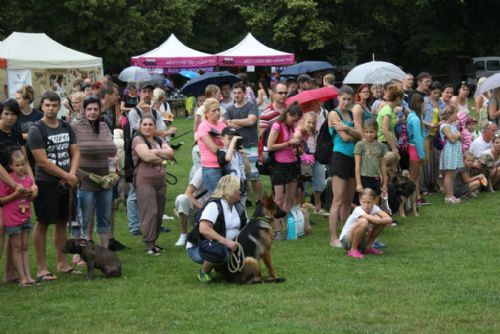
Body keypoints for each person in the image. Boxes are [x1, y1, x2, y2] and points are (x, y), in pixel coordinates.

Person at [28, 91, 81, 281]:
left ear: (59, 106)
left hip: (67, 181)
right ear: (41, 106)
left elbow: (75, 152)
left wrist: (72, 175)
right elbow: (41, 161)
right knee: (43, 222)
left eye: (54, 105)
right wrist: (66, 175)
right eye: (47, 105)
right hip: (46, 182)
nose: (51, 108)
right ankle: (42, 268)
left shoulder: (66, 126)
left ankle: (62, 263)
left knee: (61, 222)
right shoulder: (37, 129)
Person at [0, 99, 37, 283]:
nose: (10, 117)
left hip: (17, 183)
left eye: (13, 114)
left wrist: (32, 184)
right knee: (1, 228)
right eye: (6, 113)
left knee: (12, 229)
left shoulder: (15, 132)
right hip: (5, 184)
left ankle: (10, 273)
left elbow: (25, 159)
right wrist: (15, 186)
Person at [73, 96, 117, 248]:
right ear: (83, 111)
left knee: (104, 217)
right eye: (89, 109)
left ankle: (103, 250)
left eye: (95, 109)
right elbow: (73, 152)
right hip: (84, 179)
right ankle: (80, 251)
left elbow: (112, 149)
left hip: (105, 179)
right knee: (83, 217)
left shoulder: (104, 126)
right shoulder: (76, 127)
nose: (92, 112)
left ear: (100, 110)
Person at [191, 175, 253, 284]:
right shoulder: (214, 205)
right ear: (230, 190)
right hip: (203, 246)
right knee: (219, 250)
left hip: (230, 245)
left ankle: (221, 267)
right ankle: (203, 272)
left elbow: (247, 228)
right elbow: (204, 229)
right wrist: (226, 242)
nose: (240, 192)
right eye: (238, 189)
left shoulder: (238, 207)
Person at [132, 115, 174, 255]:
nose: (148, 127)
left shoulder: (158, 139)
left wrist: (155, 151)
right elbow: (146, 156)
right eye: (145, 124)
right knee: (150, 212)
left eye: (150, 124)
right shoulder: (138, 139)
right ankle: (149, 245)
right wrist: (161, 159)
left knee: (159, 212)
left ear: (155, 126)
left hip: (160, 181)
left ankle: (154, 242)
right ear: (140, 126)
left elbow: (170, 153)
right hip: (145, 181)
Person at [328, 85, 362, 247]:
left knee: (348, 201)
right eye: (343, 99)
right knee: (338, 200)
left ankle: (345, 233)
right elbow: (346, 138)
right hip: (339, 157)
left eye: (349, 99)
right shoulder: (334, 114)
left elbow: (361, 135)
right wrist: (352, 132)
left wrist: (348, 128)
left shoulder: (349, 114)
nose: (346, 102)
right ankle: (333, 238)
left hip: (352, 158)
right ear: (338, 98)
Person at [267, 102, 303, 240]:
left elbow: (294, 149)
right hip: (279, 165)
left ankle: (288, 225)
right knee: (279, 198)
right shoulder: (277, 126)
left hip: (292, 164)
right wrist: (289, 143)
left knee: (290, 197)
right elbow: (270, 146)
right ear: (288, 115)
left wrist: (298, 147)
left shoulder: (291, 128)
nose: (295, 122)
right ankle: (276, 230)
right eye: (293, 119)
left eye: (297, 120)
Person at [224, 82, 262, 205]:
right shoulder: (229, 109)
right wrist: (242, 122)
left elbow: (251, 121)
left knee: (254, 174)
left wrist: (233, 121)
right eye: (234, 93)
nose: (237, 95)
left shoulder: (251, 106)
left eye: (239, 92)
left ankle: (258, 199)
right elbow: (226, 123)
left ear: (244, 93)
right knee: (241, 173)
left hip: (251, 144)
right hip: (236, 146)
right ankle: (247, 198)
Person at [339, 188, 392, 259]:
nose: (366, 205)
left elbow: (389, 219)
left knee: (381, 223)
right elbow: (377, 221)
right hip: (347, 240)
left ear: (374, 201)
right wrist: (378, 220)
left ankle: (368, 247)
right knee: (363, 221)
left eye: (369, 202)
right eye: (364, 202)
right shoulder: (358, 210)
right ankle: (353, 249)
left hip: (362, 238)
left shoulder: (374, 208)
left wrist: (379, 220)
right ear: (360, 201)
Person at [294, 112, 326, 215]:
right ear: (303, 122)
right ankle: (302, 208)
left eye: (313, 123)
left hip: (315, 157)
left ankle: (315, 205)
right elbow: (295, 147)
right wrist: (302, 153)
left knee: (318, 182)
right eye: (309, 122)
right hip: (304, 160)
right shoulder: (299, 132)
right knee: (304, 183)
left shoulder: (314, 132)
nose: (311, 125)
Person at [196, 98, 227, 194]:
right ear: (206, 113)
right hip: (211, 167)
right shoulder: (203, 126)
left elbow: (230, 144)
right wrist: (225, 146)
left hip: (225, 164)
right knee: (217, 196)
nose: (217, 113)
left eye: (218, 110)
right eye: (214, 110)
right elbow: (214, 148)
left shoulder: (222, 125)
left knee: (227, 196)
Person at [173, 168, 210, 247]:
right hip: (198, 209)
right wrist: (203, 208)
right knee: (181, 199)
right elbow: (188, 193)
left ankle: (196, 237)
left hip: (214, 211)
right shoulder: (202, 170)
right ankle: (183, 235)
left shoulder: (227, 170)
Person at [421, 81, 445, 195]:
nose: (437, 95)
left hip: (437, 135)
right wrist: (428, 124)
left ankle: (433, 184)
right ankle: (424, 187)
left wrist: (442, 122)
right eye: (434, 92)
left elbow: (445, 116)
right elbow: (419, 118)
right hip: (426, 134)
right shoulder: (424, 102)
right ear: (430, 91)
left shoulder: (441, 103)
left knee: (435, 161)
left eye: (439, 93)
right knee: (426, 161)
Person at [354, 119, 386, 202]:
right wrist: (358, 183)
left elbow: (383, 165)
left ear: (376, 131)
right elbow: (357, 165)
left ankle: (374, 214)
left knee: (376, 199)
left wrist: (385, 183)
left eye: (372, 132)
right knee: (365, 201)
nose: (369, 134)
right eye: (366, 132)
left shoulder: (380, 146)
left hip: (376, 177)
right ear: (363, 131)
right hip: (364, 177)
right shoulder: (360, 145)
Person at [218, 127, 250, 205]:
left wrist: (245, 157)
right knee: (231, 208)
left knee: (242, 207)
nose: (232, 141)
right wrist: (234, 141)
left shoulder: (238, 153)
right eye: (229, 138)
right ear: (222, 139)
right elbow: (228, 158)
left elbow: (248, 171)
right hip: (230, 185)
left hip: (242, 184)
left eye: (234, 140)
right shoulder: (222, 152)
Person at [439, 106, 463, 204]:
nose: (456, 116)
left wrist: (457, 135)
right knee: (449, 174)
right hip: (450, 150)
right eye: (455, 113)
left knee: (452, 173)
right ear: (450, 114)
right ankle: (448, 197)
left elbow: (459, 136)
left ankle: (451, 195)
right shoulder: (444, 126)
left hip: (454, 150)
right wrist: (457, 135)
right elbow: (452, 139)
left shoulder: (452, 125)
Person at [406, 94, 426, 204]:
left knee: (415, 175)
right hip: (415, 149)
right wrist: (422, 155)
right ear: (420, 104)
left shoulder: (411, 116)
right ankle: (414, 197)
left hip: (412, 148)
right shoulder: (415, 119)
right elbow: (417, 139)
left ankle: (417, 196)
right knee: (414, 175)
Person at [376, 84, 404, 153]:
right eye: (402, 99)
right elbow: (385, 130)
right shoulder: (387, 110)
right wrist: (393, 147)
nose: (402, 101)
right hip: (383, 143)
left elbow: (391, 128)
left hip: (388, 142)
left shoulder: (391, 110)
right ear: (397, 99)